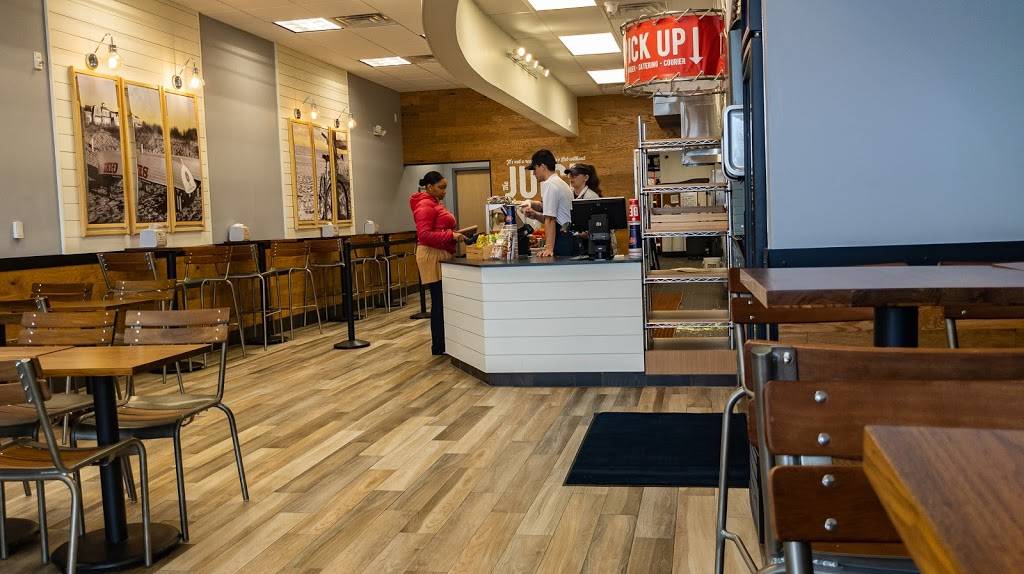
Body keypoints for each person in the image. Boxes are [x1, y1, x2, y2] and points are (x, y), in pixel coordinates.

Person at [410, 171, 464, 355]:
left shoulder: (433, 202)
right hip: (431, 255)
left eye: (445, 187)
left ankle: (443, 344)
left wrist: (452, 235)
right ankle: (439, 346)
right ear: (429, 187)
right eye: (441, 187)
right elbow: (424, 235)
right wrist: (450, 235)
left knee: (442, 300)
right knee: (439, 301)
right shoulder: (425, 205)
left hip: (438, 252)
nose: (444, 191)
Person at [523, 149, 574, 257]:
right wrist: (532, 207)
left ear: (542, 166)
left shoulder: (549, 184)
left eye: (534, 169)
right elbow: (549, 212)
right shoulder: (560, 183)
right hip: (569, 238)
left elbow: (550, 219)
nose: (533, 173)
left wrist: (549, 248)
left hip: (562, 241)